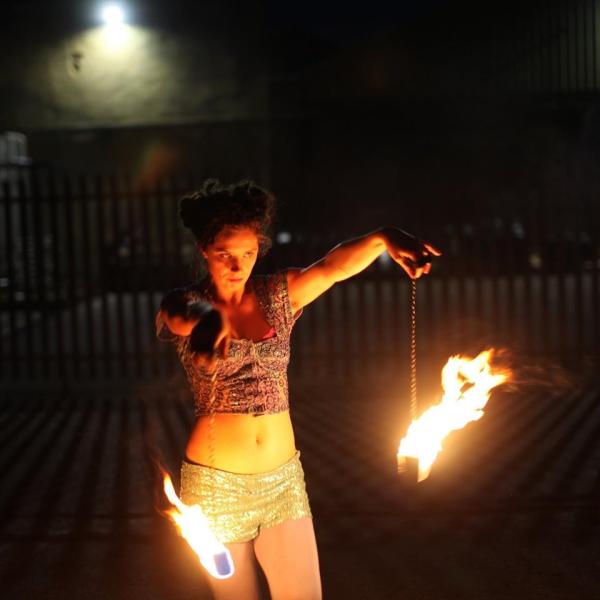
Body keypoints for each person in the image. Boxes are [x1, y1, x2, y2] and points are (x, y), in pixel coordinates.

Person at [156, 179, 441, 600]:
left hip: (283, 483)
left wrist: (382, 238)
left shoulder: (276, 295)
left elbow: (331, 268)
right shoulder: (184, 301)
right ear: (204, 251)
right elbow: (181, 315)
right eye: (225, 256)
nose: (238, 266)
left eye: (248, 254)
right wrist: (209, 320)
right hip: (217, 489)